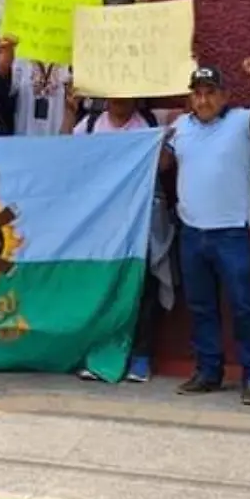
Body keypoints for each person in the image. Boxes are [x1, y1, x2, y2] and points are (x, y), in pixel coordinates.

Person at [166, 59, 250, 405]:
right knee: (201, 306)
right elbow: (161, 164)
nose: (203, 100)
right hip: (191, 231)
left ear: (224, 95)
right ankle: (208, 371)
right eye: (197, 94)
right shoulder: (179, 128)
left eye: (210, 93)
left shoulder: (241, 121)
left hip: (231, 232)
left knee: (243, 306)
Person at [71, 92, 176, 384]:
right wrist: (69, 111)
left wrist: (161, 141)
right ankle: (99, 353)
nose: (118, 99)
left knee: (144, 286)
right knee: (105, 286)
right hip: (103, 223)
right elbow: (69, 156)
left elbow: (165, 166)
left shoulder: (152, 122)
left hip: (143, 219)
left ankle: (141, 357)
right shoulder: (90, 125)